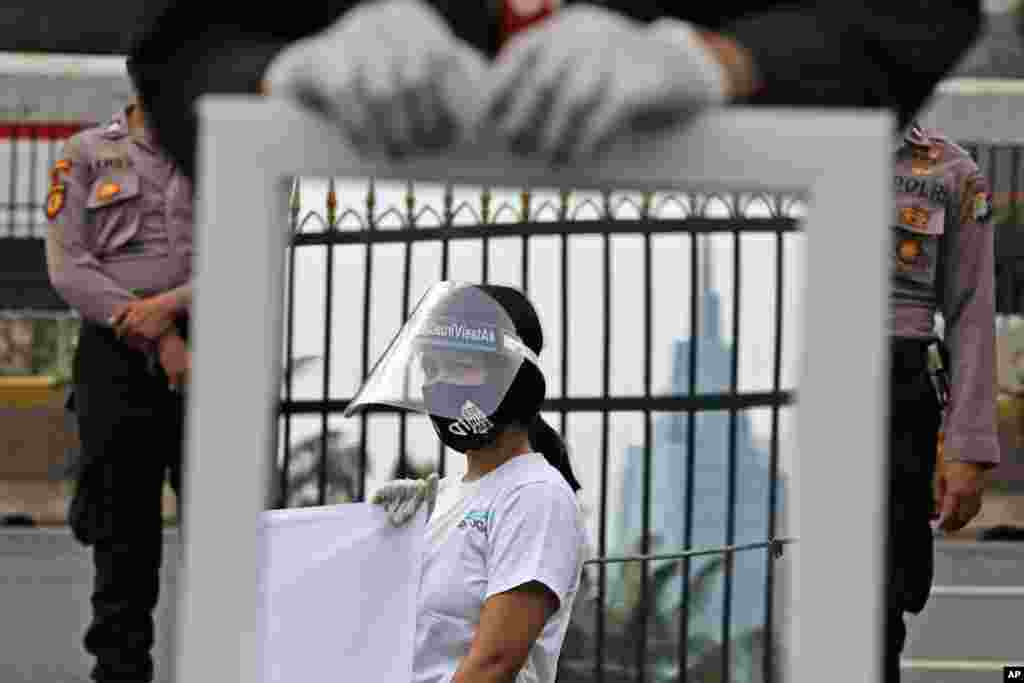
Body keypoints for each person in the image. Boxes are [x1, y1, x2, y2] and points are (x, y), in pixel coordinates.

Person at [126, 0, 983, 176]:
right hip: (351, 365)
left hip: (739, 338)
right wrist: (294, 68)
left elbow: (913, 16)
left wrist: (715, 60)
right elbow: (185, 47)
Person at [345, 282, 586, 683]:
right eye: (431, 369)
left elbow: (493, 665)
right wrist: (381, 540)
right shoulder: (438, 500)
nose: (440, 384)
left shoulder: (536, 496)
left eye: (458, 365)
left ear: (511, 374)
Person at [44, 58, 194, 683]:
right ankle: (119, 670)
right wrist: (152, 330)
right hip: (114, 356)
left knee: (233, 530)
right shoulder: (82, 154)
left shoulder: (217, 156)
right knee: (123, 534)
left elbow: (252, 249)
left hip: (210, 347)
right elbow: (68, 268)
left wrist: (170, 310)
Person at [885, 122, 998, 682]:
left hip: (898, 391)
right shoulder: (781, 145)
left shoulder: (953, 172)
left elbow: (972, 315)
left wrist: (968, 447)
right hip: (792, 386)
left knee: (881, 605)